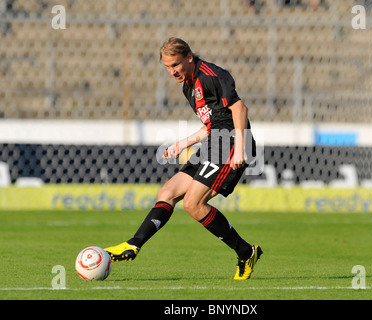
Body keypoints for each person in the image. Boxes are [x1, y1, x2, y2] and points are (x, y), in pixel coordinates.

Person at [105, 37, 262, 280]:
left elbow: (239, 109)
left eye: (176, 65)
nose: (172, 71)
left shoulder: (212, 75)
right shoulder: (188, 87)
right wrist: (182, 144)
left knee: (192, 204)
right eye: (167, 67)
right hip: (214, 142)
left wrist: (240, 147)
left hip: (230, 142)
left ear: (189, 57)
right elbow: (211, 124)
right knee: (168, 191)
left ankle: (244, 252)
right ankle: (134, 244)